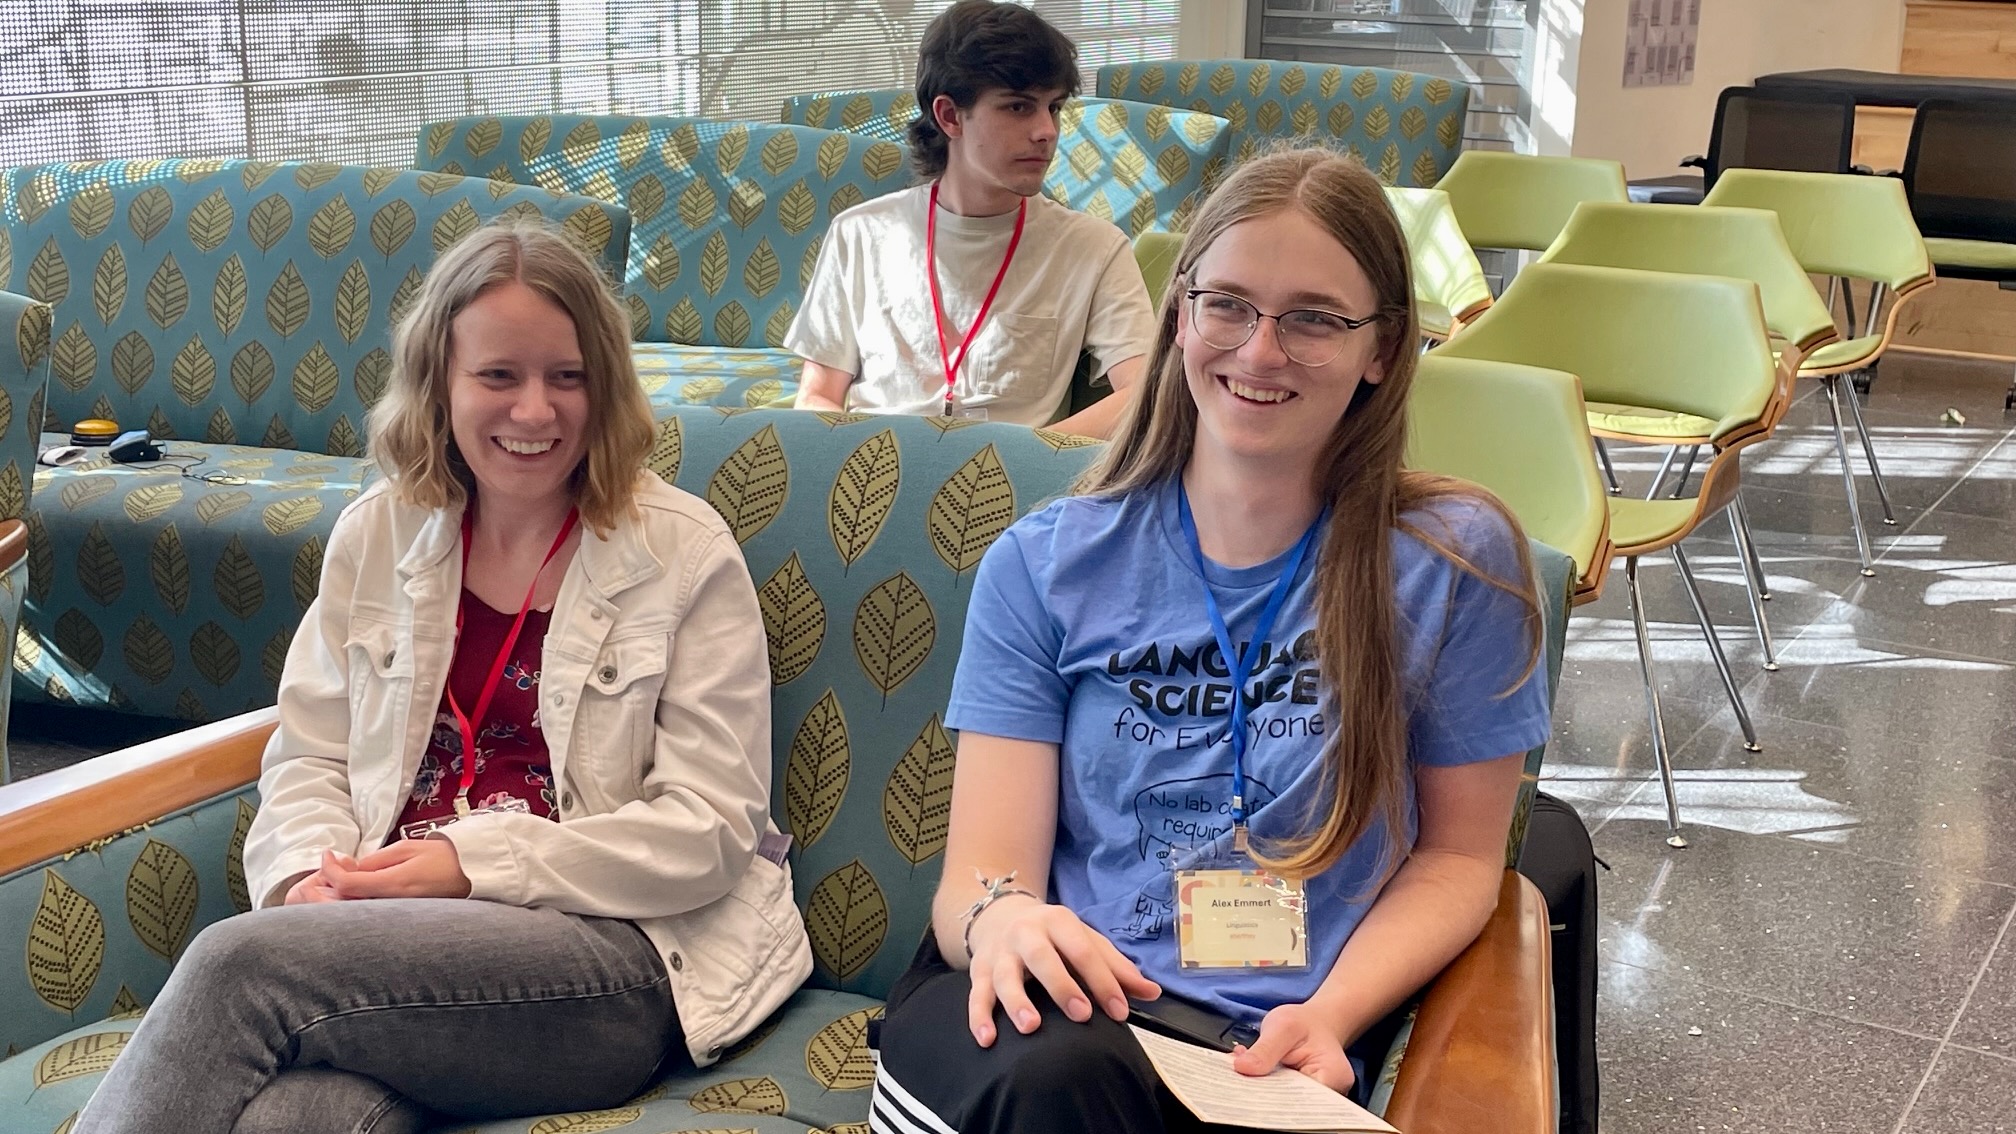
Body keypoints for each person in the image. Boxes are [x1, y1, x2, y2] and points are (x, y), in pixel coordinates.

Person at [867, 149, 1553, 1134]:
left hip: (1275, 1040)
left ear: (1381, 348)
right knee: (1063, 1085)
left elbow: (1457, 859)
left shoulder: (1456, 564)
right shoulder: (1047, 562)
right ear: (1180, 314)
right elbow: (981, 871)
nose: (1260, 350)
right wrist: (1004, 918)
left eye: (1314, 317)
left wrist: (1328, 1018)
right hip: (1064, 1015)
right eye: (1227, 303)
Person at [76, 223, 808, 1134]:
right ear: (441, 383)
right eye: (498, 376)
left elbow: (709, 829)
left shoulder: (684, 553)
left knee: (238, 967)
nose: (535, 412)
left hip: (612, 957)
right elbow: (309, 755)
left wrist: (470, 864)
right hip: (381, 946)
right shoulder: (379, 532)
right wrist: (310, 878)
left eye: (567, 377)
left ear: (606, 386)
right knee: (303, 1117)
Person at [787, 0, 1155, 436]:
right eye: (1019, 107)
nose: (1047, 131)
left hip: (1023, 486)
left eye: (1053, 107)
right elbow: (817, 396)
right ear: (949, 116)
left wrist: (1025, 460)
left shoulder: (1093, 247)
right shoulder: (861, 234)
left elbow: (1145, 395)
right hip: (876, 476)